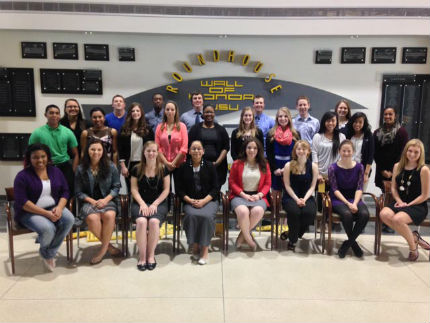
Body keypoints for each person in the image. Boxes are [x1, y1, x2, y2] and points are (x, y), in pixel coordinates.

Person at [13, 143, 74, 271]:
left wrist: (59, 208)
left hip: (53, 206)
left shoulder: (55, 171)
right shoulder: (22, 176)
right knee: (48, 228)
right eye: (35, 157)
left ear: (48, 157)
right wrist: (46, 214)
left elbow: (65, 191)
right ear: (29, 159)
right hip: (29, 212)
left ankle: (47, 253)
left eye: (43, 156)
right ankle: (48, 252)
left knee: (69, 220)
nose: (40, 160)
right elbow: (22, 202)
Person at [379, 139, 430, 261]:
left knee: (398, 219)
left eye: (416, 152)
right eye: (410, 151)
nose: (412, 154)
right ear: (405, 151)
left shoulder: (424, 170)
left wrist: (409, 205)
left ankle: (413, 249)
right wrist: (400, 201)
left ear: (420, 154)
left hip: (418, 204)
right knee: (384, 214)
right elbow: (393, 188)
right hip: (400, 202)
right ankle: (414, 237)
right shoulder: (398, 166)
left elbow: (425, 195)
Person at [75, 139, 122, 265]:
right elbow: (78, 192)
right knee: (92, 219)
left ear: (103, 151)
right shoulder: (81, 169)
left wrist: (105, 200)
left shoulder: (111, 166)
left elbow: (116, 186)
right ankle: (109, 248)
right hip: (89, 201)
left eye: (99, 149)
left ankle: (102, 251)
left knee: (109, 215)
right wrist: (93, 201)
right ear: (87, 151)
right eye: (93, 149)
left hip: (108, 200)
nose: (96, 152)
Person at [177, 141, 219, 265]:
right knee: (190, 216)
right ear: (189, 151)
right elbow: (179, 189)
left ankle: (204, 251)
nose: (196, 151)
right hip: (191, 201)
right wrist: (189, 200)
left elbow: (216, 188)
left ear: (203, 151)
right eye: (193, 149)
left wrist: (204, 201)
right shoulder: (183, 167)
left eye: (199, 148)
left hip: (209, 200)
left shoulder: (210, 166)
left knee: (206, 217)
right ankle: (195, 245)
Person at [130, 141, 170, 271]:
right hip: (140, 202)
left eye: (154, 151)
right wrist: (142, 203)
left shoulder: (164, 168)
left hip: (158, 202)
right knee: (141, 221)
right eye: (149, 151)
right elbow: (134, 189)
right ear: (144, 153)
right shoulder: (136, 168)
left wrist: (155, 204)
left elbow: (166, 190)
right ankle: (142, 257)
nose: (151, 153)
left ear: (158, 152)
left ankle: (151, 255)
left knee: (153, 222)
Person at [328, 140, 369, 258]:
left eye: (349, 151)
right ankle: (354, 245)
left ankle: (348, 244)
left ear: (353, 152)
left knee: (364, 214)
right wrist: (348, 203)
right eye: (343, 151)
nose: (346, 153)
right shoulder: (333, 167)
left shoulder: (360, 167)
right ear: (339, 151)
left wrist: (355, 203)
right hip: (338, 199)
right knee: (347, 214)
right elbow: (334, 189)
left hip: (354, 198)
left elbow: (359, 187)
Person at [229, 138, 271, 251]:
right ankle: (249, 240)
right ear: (245, 149)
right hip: (239, 196)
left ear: (258, 150)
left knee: (257, 211)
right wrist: (243, 195)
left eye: (254, 148)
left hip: (258, 196)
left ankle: (242, 236)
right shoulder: (237, 163)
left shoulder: (264, 164)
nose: (252, 150)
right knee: (243, 212)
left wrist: (259, 195)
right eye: (249, 147)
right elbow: (232, 182)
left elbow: (267, 184)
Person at [29, 104, 79, 195]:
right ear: (45, 115)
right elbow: (30, 153)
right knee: (46, 192)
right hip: (45, 166)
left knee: (68, 192)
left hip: (65, 166)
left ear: (60, 115)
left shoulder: (68, 132)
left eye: (57, 113)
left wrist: (73, 170)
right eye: (51, 113)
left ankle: (66, 208)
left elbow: (76, 154)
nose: (54, 115)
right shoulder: (37, 133)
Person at [374, 106, 408, 233]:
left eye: (390, 114)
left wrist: (394, 170)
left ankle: (391, 221)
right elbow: (375, 153)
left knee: (394, 195)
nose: (387, 117)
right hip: (382, 170)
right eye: (385, 114)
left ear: (395, 116)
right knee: (385, 194)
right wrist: (383, 170)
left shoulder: (402, 132)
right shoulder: (377, 132)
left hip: (397, 170)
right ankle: (384, 219)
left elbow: (403, 152)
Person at [282, 140, 318, 250]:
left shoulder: (313, 166)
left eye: (303, 149)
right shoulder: (288, 165)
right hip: (291, 197)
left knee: (309, 213)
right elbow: (287, 186)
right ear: (295, 151)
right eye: (298, 149)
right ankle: (292, 241)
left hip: (307, 196)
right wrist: (297, 199)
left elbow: (312, 187)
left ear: (308, 151)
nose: (301, 151)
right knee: (294, 212)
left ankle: (292, 234)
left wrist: (304, 199)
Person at [188, 104, 229, 187]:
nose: (209, 114)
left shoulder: (221, 130)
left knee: (215, 190)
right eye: (206, 112)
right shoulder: (195, 129)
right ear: (203, 114)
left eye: (211, 112)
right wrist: (198, 162)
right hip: (198, 166)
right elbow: (190, 146)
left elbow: (225, 147)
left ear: (214, 114)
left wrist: (217, 162)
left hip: (217, 167)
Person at [118, 102, 154, 189]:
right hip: (130, 165)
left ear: (141, 113)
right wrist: (123, 167)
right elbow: (121, 149)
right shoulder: (124, 129)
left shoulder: (148, 129)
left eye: (137, 110)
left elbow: (152, 149)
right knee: (131, 190)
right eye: (133, 111)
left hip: (144, 164)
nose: (135, 113)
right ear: (130, 113)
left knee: (144, 189)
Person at [266, 107, 300, 193]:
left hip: (291, 165)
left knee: (291, 192)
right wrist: (275, 168)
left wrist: (289, 167)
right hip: (276, 166)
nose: (283, 119)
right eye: (280, 116)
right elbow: (269, 154)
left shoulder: (296, 134)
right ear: (277, 118)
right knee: (275, 194)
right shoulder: (270, 134)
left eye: (285, 116)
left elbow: (298, 154)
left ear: (289, 118)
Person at [155, 100, 188, 184]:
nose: (170, 111)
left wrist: (173, 163)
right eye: (167, 109)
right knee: (164, 191)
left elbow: (184, 148)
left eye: (172, 109)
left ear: (176, 111)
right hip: (163, 164)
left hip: (179, 164)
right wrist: (166, 163)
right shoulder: (159, 127)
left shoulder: (182, 126)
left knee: (180, 190)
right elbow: (157, 147)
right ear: (164, 111)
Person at [341, 112, 374, 188]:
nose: (357, 124)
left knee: (360, 195)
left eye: (360, 122)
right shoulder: (347, 134)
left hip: (362, 170)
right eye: (355, 122)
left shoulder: (368, 135)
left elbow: (370, 155)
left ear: (364, 123)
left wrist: (366, 174)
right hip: (347, 169)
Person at [312, 111, 346, 181]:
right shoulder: (317, 136)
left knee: (335, 192)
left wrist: (337, 172)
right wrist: (317, 174)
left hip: (336, 174)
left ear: (336, 122)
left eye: (333, 121)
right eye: (328, 121)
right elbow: (314, 155)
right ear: (324, 122)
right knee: (321, 192)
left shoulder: (341, 137)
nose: (330, 123)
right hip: (320, 176)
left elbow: (342, 156)